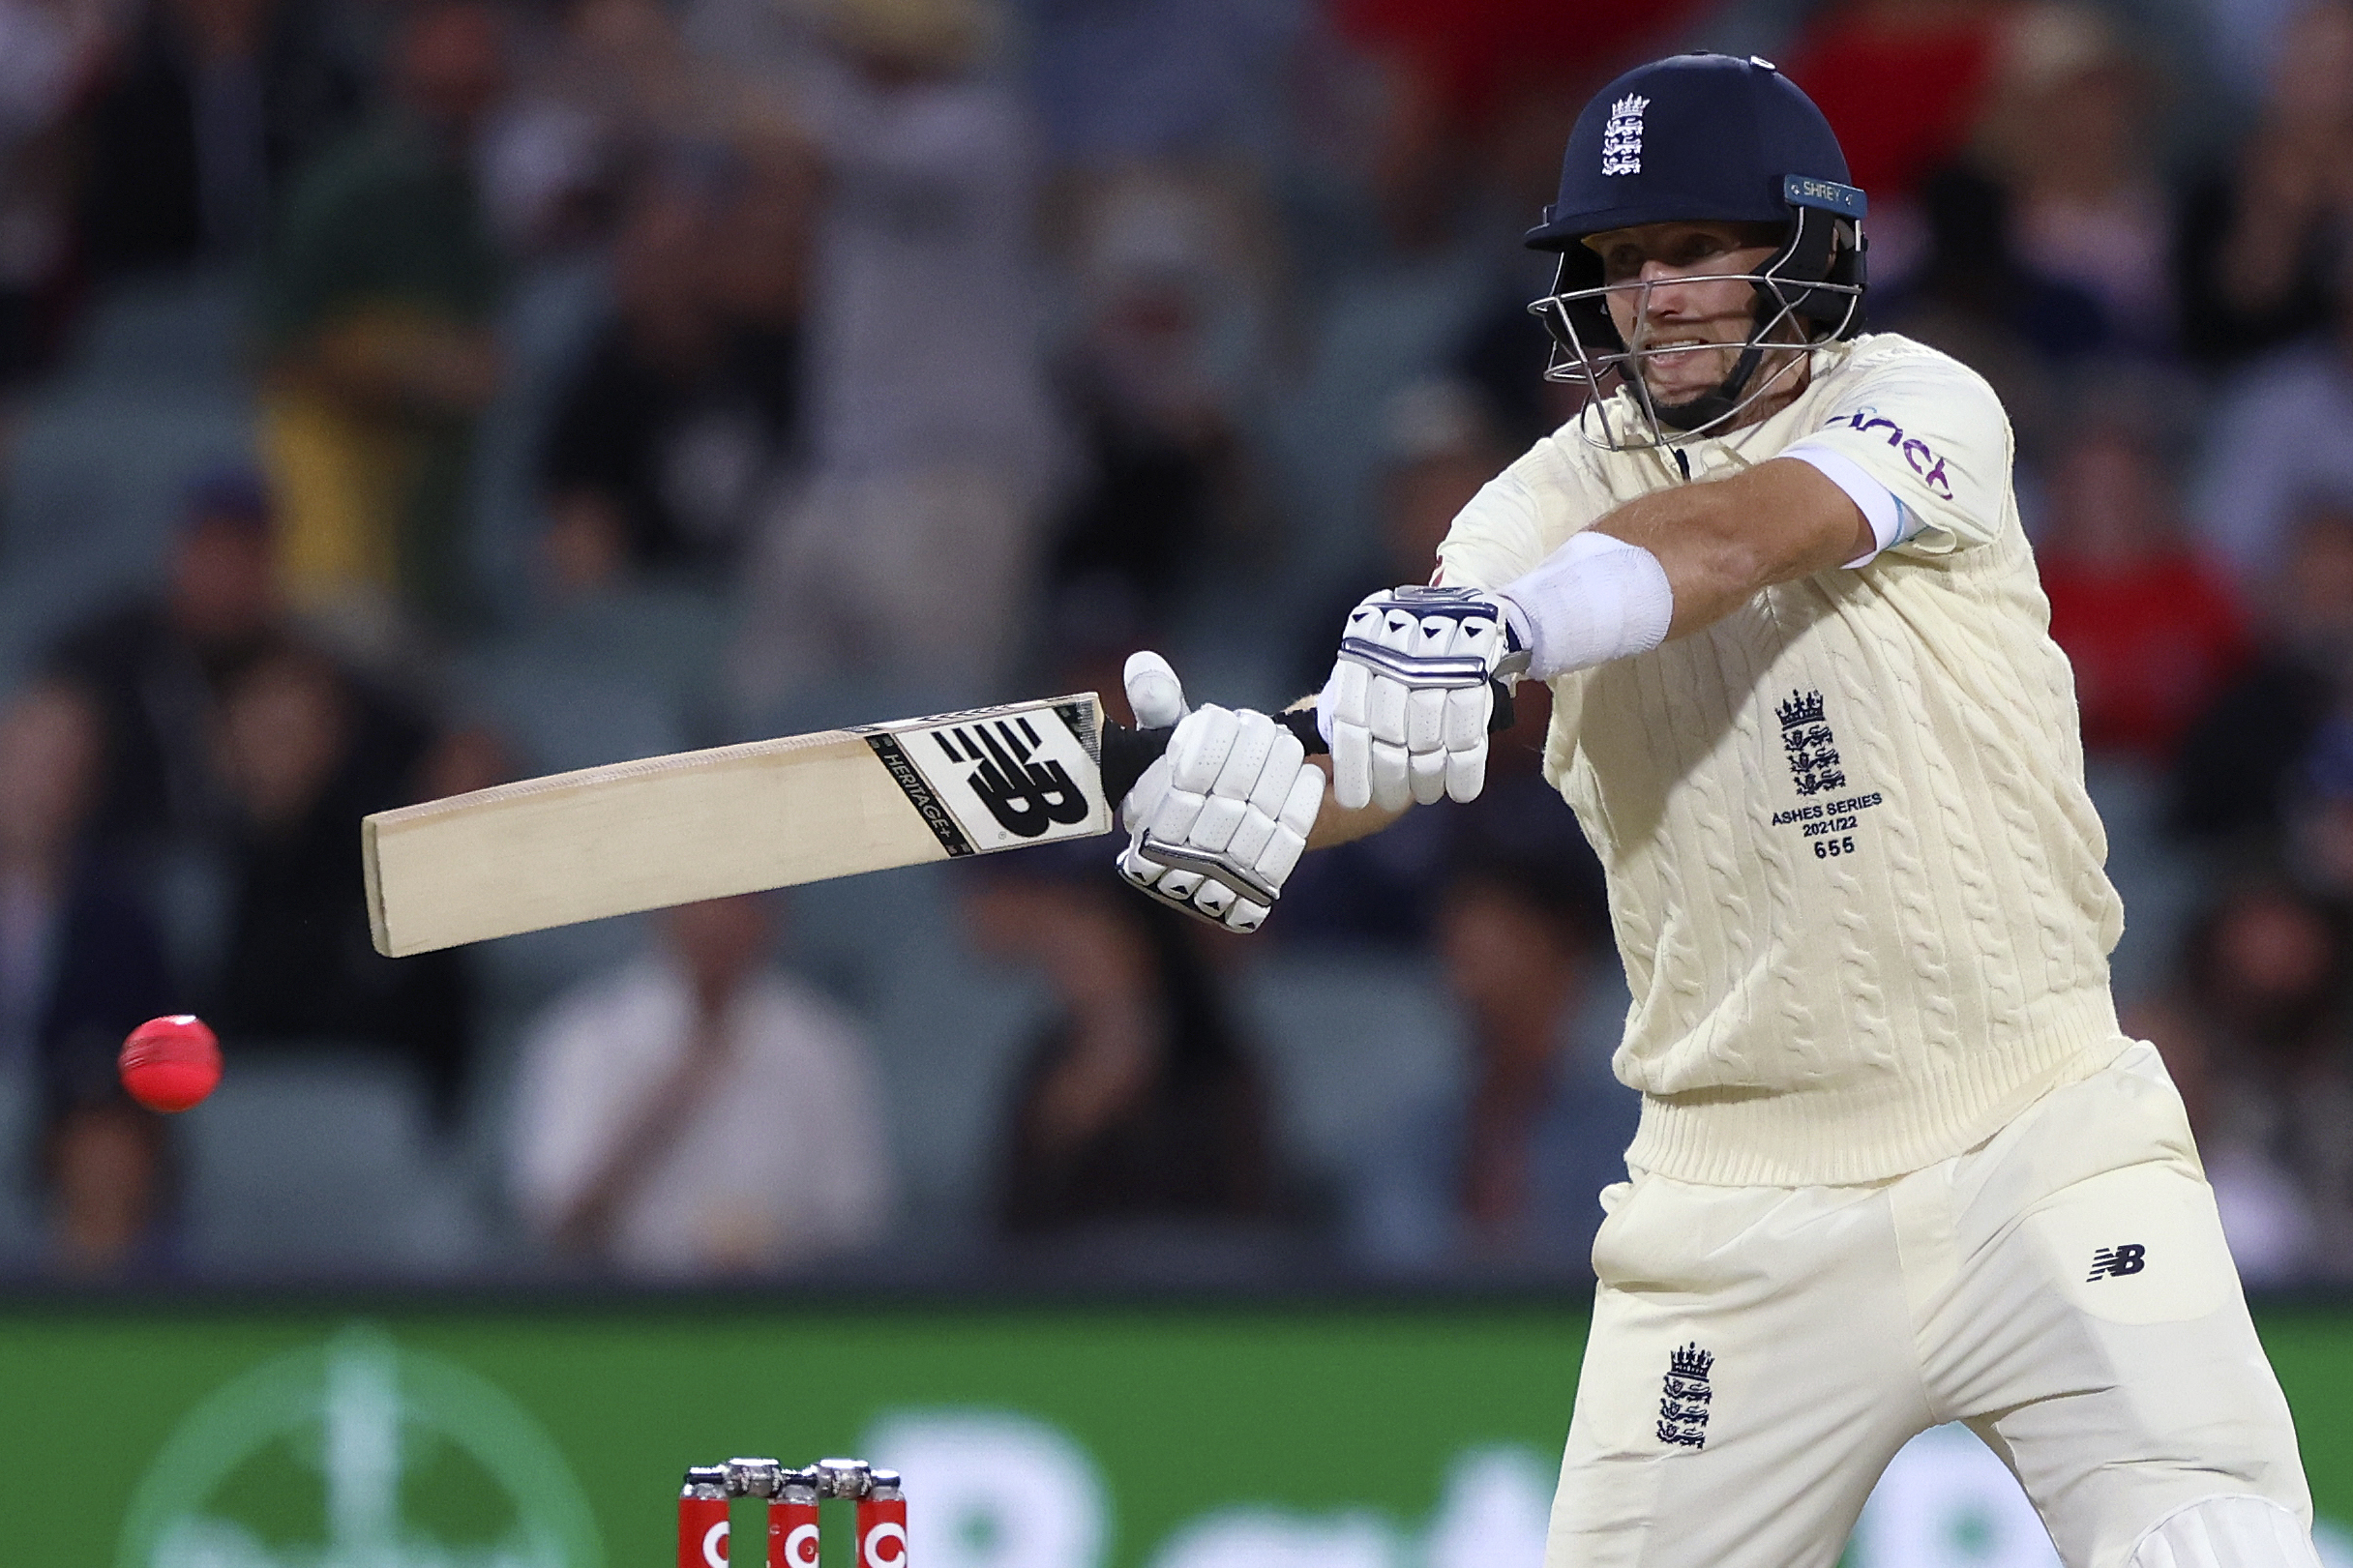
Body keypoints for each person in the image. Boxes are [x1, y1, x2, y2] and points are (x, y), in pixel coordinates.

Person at [1111, 53, 2324, 1568]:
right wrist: (1267, 788)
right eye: (1622, 260)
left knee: (2213, 1544)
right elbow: (1417, 720)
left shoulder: (1921, 401)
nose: (1655, 296)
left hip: (2044, 1138)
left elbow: (1744, 533)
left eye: (1694, 249)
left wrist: (1511, 624)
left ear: (1805, 245)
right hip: (1736, 1209)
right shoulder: (1526, 506)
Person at [508, 894, 891, 1278]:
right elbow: (555, 1220)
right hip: (626, 1297)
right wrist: (668, 1103)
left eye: (741, 903)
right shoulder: (584, 1036)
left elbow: (855, 1217)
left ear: (775, 918)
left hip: (784, 1297)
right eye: (702, 902)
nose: (718, 921)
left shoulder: (822, 1043)